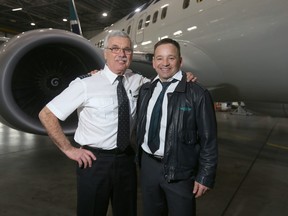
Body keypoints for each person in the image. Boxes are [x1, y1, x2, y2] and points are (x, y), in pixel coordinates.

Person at [39, 30, 196, 216]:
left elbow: (165, 83)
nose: (121, 54)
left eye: (126, 49)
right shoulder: (86, 84)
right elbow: (47, 114)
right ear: (105, 53)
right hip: (94, 163)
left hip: (126, 161)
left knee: (127, 211)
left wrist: (184, 78)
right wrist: (69, 149)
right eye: (115, 48)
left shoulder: (138, 81)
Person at [136, 38, 218, 216]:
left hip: (180, 170)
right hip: (148, 166)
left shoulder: (197, 94)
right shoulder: (146, 90)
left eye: (171, 58)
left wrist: (205, 176)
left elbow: (208, 139)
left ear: (180, 61)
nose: (164, 63)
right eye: (159, 58)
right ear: (153, 61)